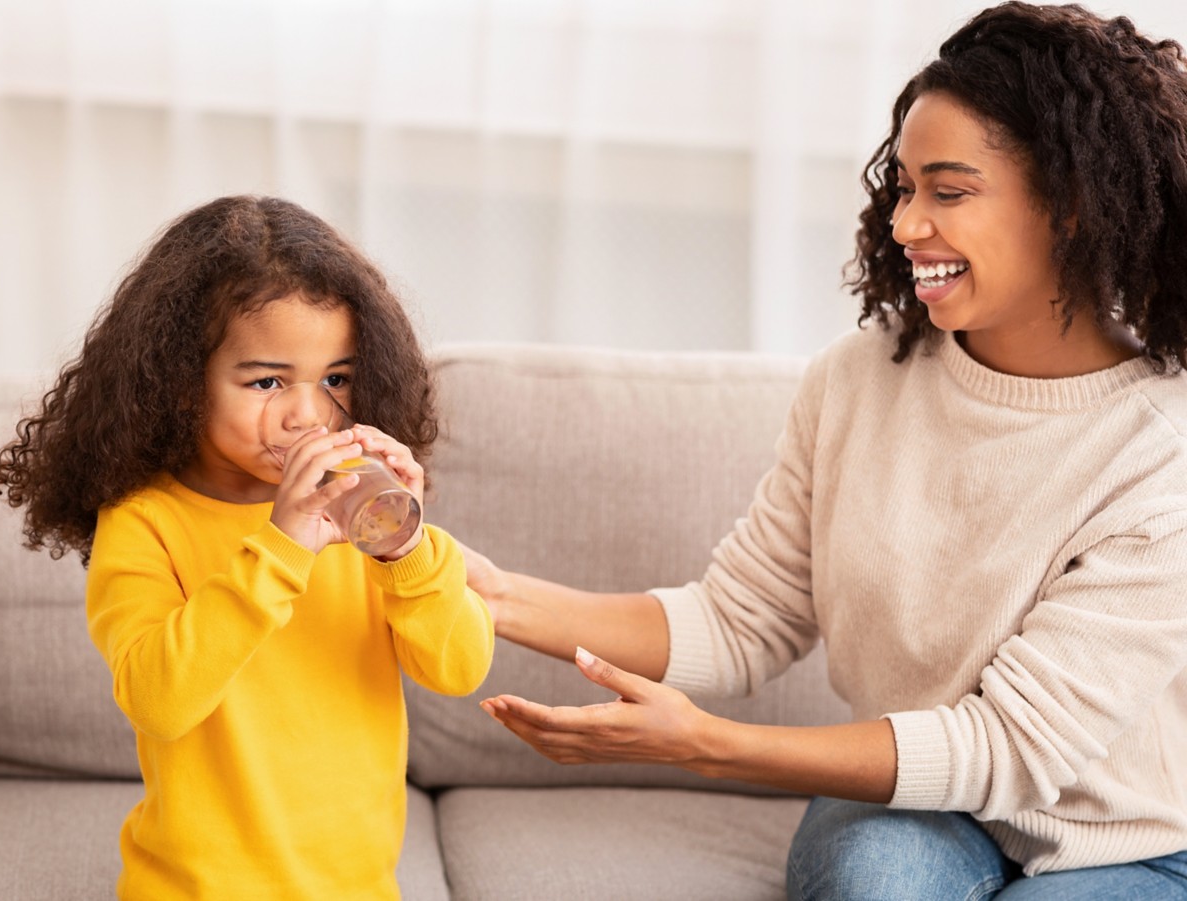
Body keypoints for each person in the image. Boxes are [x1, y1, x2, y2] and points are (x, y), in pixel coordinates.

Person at [465, 3, 1187, 897]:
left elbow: (1008, 746)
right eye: (906, 189)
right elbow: (739, 618)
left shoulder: (1162, 454)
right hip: (913, 802)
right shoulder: (861, 379)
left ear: (1073, 205)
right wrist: (490, 593)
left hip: (1124, 841)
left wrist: (713, 747)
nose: (905, 225)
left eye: (948, 191)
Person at [0, 195, 494, 900]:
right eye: (266, 381)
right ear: (178, 382)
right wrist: (281, 546)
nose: (309, 412)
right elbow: (158, 698)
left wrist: (404, 547)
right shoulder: (146, 519)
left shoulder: (361, 514)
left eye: (337, 379)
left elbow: (460, 668)